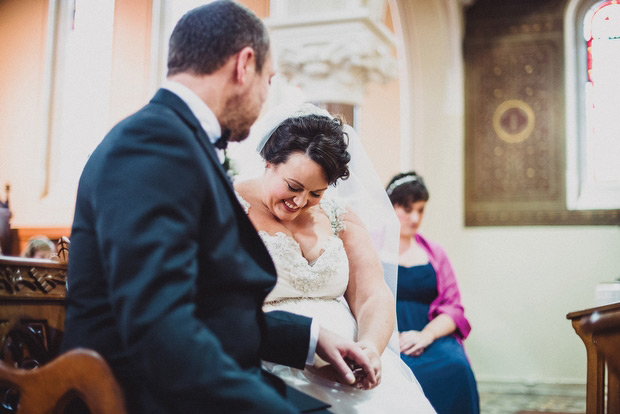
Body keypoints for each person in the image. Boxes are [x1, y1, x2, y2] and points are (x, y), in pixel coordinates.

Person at [61, 2, 374, 413]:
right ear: (244, 65)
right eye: (269, 80)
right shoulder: (152, 147)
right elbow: (161, 331)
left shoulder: (174, 141)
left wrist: (312, 337)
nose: (265, 98)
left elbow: (210, 307)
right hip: (143, 395)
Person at [233, 104, 436, 413]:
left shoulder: (340, 217)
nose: (300, 202)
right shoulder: (228, 209)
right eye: (293, 187)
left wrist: (370, 347)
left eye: (316, 193)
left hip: (349, 363)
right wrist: (309, 357)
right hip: (270, 360)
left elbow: (372, 294)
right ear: (268, 161)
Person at [386, 172, 480, 414]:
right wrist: (389, 337)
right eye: (407, 210)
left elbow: (454, 306)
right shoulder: (371, 247)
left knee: (457, 366)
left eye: (420, 210)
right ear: (389, 206)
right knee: (397, 373)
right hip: (386, 335)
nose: (415, 218)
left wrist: (426, 335)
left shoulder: (435, 252)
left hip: (431, 334)